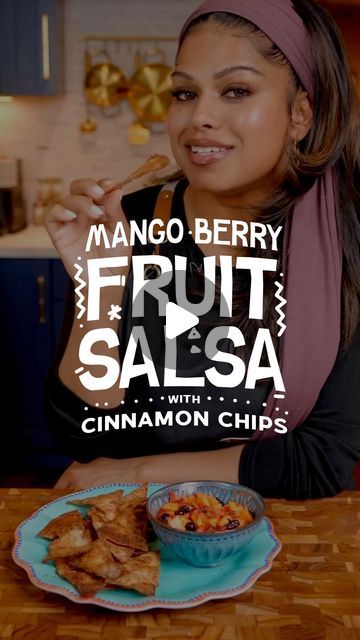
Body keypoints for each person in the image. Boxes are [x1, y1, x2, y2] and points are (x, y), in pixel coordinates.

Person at [44, 0, 360, 497]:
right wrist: (99, 291)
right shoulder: (129, 223)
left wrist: (136, 471)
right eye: (185, 93)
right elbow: (82, 433)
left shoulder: (341, 245)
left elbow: (319, 460)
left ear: (300, 113)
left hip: (269, 537)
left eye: (236, 90)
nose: (199, 118)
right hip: (135, 531)